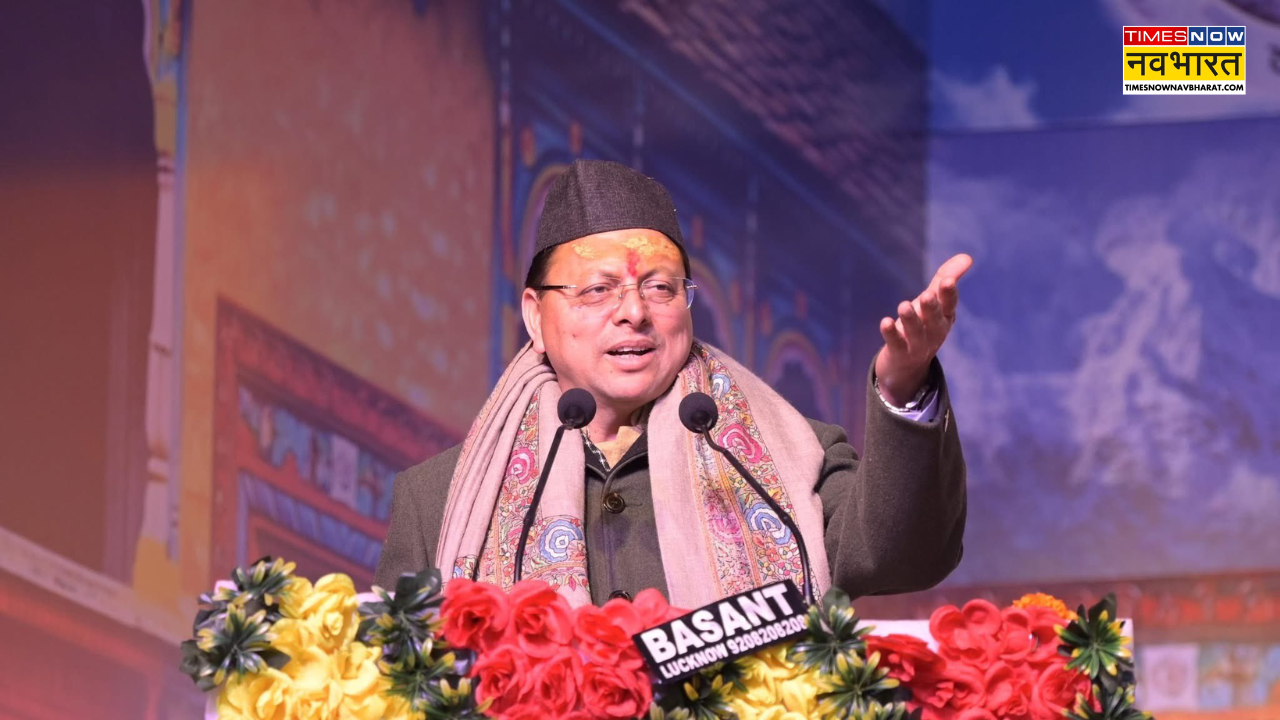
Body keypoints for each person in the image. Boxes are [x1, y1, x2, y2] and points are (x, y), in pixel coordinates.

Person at [376, 159, 969, 608]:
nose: (634, 312)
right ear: (535, 316)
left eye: (660, 288)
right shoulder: (438, 499)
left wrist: (904, 385)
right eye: (598, 290)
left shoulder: (790, 458)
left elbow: (910, 556)